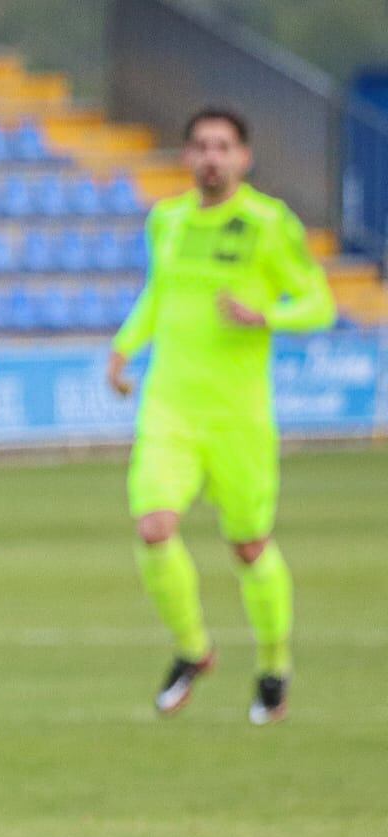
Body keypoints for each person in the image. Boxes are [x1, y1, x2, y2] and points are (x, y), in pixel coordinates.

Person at [107, 108, 333, 724]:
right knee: (153, 526)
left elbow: (318, 300)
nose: (212, 157)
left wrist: (270, 316)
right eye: (201, 146)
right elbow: (159, 294)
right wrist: (126, 345)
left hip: (239, 419)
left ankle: (274, 666)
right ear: (187, 158)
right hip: (170, 408)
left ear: (243, 158)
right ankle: (193, 650)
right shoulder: (167, 221)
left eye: (223, 147)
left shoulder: (268, 223)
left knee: (249, 546)